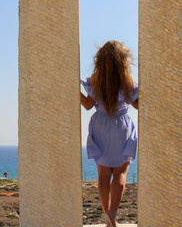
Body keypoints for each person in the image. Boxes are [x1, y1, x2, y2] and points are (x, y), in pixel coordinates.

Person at [80, 40, 138, 227]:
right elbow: (137, 104)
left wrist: (73, 88)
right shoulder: (126, 79)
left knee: (103, 174)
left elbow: (88, 105)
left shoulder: (96, 78)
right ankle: (112, 214)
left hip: (100, 126)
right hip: (121, 127)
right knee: (120, 173)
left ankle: (107, 216)